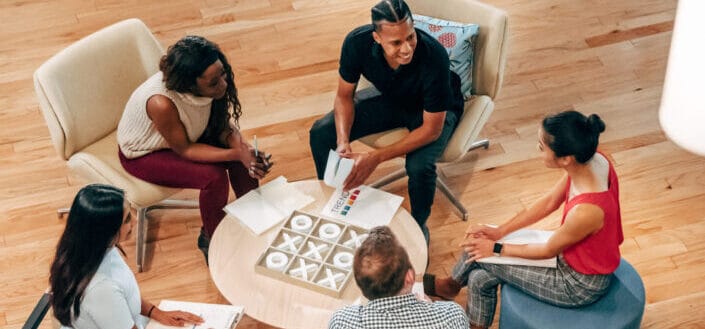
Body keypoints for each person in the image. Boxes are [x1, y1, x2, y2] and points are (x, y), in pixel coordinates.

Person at [423, 111, 624, 328]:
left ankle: (452, 285)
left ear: (566, 158)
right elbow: (549, 203)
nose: (538, 151)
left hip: (577, 285)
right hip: (569, 256)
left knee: (478, 252)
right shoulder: (593, 161)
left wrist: (496, 248)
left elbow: (548, 250)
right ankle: (455, 290)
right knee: (479, 278)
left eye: (541, 147)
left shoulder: (588, 211)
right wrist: (499, 232)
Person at [309, 0, 464, 244]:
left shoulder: (434, 57)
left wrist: (376, 158)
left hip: (432, 111)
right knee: (320, 132)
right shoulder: (356, 43)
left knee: (419, 167)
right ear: (377, 38)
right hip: (392, 98)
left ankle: (418, 225)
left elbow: (431, 130)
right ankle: (333, 200)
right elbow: (343, 96)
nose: (407, 48)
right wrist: (342, 141)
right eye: (396, 42)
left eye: (410, 37)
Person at [117, 36, 272, 260]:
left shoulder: (213, 83)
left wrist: (243, 149)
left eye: (223, 74)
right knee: (214, 178)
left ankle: (254, 215)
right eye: (214, 82)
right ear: (190, 85)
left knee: (241, 156)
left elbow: (220, 124)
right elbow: (185, 149)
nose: (224, 84)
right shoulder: (161, 103)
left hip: (186, 135)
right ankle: (211, 237)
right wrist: (237, 152)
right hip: (144, 153)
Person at [49, 184, 204, 329]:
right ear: (106, 231)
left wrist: (156, 313)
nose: (136, 220)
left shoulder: (93, 250)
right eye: (128, 219)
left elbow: (126, 293)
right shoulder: (101, 289)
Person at [328, 226, 468, 328]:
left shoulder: (342, 321)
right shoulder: (452, 316)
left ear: (359, 283)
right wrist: (430, 308)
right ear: (410, 277)